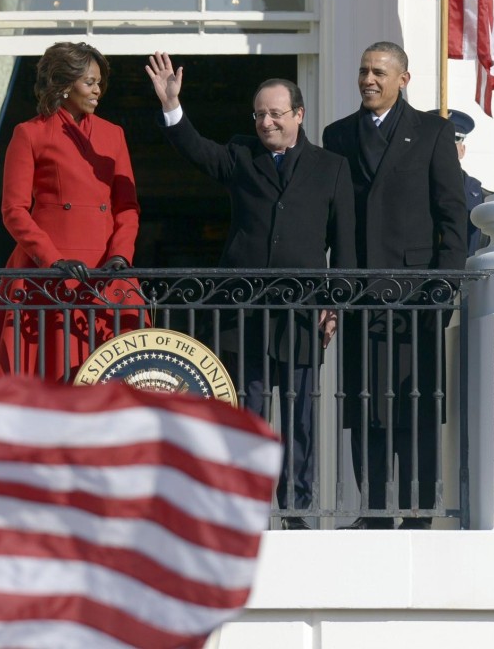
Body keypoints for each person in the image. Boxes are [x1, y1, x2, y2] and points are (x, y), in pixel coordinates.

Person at [146, 51, 356, 530]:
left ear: (299, 115)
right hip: (245, 311)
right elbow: (197, 149)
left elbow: (344, 247)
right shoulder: (241, 155)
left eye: (275, 114)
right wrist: (172, 106)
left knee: (300, 416)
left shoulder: (331, 168)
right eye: (259, 114)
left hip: (302, 311)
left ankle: (299, 508)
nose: (265, 122)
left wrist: (334, 307)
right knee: (250, 411)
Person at [322, 42, 468, 530]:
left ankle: (421, 509)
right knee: (363, 406)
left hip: (415, 296)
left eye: (379, 72)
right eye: (363, 70)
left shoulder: (432, 131)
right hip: (362, 294)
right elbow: (336, 220)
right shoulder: (337, 134)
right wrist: (336, 293)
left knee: (418, 404)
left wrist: (443, 287)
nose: (369, 79)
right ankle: (375, 509)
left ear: (403, 80)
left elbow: (452, 213)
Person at [0, 42, 144, 382]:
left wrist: (121, 255)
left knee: (112, 375)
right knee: (46, 373)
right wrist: (52, 260)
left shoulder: (114, 135)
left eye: (100, 82)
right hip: (47, 274)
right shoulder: (30, 133)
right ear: (65, 85)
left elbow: (126, 206)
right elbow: (14, 210)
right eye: (89, 82)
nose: (98, 90)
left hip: (105, 273)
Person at [427, 108, 493, 256]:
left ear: (462, 150)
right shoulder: (412, 191)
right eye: (440, 140)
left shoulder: (484, 200)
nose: (446, 147)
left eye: (454, 139)